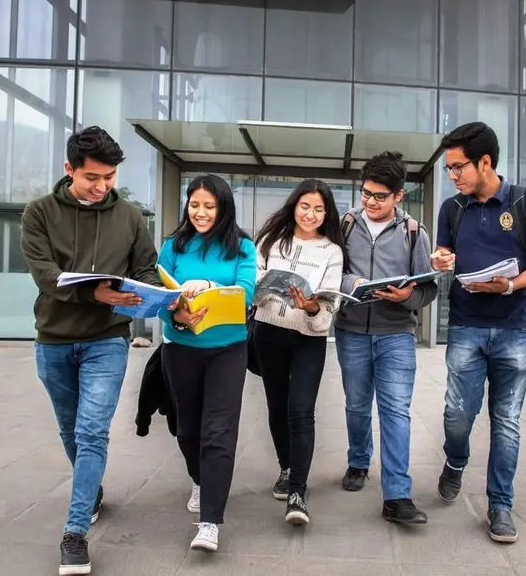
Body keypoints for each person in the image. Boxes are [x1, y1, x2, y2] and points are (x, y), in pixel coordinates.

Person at [20, 126, 160, 575]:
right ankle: (92, 488)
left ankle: (75, 532)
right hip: (54, 340)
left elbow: (146, 269)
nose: (101, 188)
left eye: (109, 178)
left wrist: (152, 296)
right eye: (92, 178)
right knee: (69, 430)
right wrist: (91, 293)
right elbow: (45, 274)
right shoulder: (38, 213)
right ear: (69, 170)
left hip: (108, 339)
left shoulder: (131, 216)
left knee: (91, 432)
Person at [430, 122, 526, 543]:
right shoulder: (452, 209)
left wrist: (510, 284)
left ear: (485, 162)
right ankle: (456, 459)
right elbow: (445, 254)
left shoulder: (525, 202)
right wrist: (442, 259)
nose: (453, 176)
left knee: (506, 421)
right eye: (449, 169)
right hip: (465, 325)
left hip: (515, 329)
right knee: (457, 414)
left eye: (458, 167)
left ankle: (500, 505)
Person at [335, 151, 439, 524]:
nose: (371, 202)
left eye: (380, 196)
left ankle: (397, 495)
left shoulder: (414, 232)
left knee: (395, 411)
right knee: (357, 405)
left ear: (399, 195)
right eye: (366, 193)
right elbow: (333, 272)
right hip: (351, 331)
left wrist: (406, 296)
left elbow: (428, 289)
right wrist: (353, 283)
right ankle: (358, 462)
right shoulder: (345, 225)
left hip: (396, 334)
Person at [157, 174, 256, 553]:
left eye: (209, 206)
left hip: (227, 350)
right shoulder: (173, 245)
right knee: (188, 430)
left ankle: (210, 521)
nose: (200, 213)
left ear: (223, 208)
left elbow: (247, 293)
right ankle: (199, 479)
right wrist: (176, 317)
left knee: (218, 432)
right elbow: (160, 293)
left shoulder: (242, 247)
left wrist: (210, 289)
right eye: (194, 205)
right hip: (181, 348)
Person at [250, 179, 347, 526]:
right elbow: (253, 283)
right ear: (294, 205)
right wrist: (260, 291)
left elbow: (329, 303)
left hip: (308, 338)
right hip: (268, 333)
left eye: (319, 209)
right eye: (305, 206)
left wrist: (309, 307)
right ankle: (286, 468)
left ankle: (298, 493)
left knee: (300, 410)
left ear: (327, 213)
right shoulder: (271, 241)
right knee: (277, 406)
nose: (311, 214)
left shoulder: (332, 251)